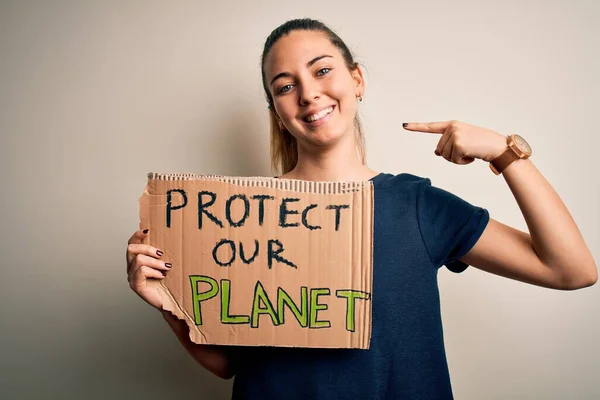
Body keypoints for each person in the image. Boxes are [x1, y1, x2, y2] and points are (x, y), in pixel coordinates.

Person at [125, 18, 597, 399]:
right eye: (285, 86)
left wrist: (504, 152)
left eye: (322, 70)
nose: (308, 93)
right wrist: (168, 303)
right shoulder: (239, 215)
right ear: (277, 111)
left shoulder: (417, 205)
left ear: (357, 79)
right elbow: (231, 366)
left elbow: (570, 269)